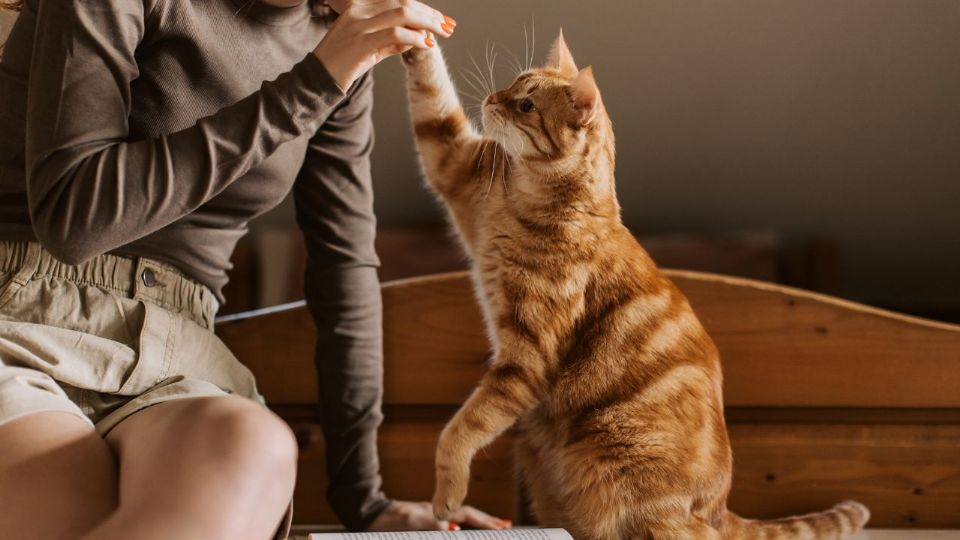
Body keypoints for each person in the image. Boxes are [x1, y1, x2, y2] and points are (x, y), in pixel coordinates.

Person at [0, 0, 508, 537]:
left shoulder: (336, 48)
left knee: (253, 444)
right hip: (21, 324)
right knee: (70, 495)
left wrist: (363, 499)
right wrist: (314, 82)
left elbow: (343, 272)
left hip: (183, 359)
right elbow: (76, 219)